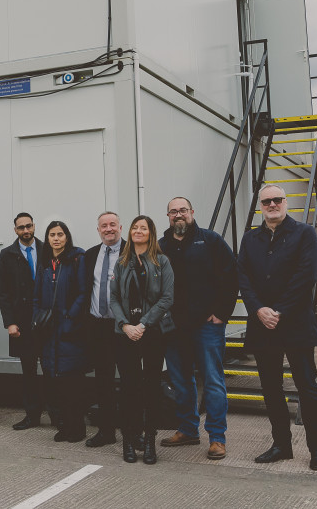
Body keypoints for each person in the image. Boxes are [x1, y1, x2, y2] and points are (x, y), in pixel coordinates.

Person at [239, 185, 317, 471]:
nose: (272, 204)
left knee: (307, 387)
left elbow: (306, 276)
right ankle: (281, 445)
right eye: (267, 201)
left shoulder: (305, 234)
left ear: (285, 202)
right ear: (261, 206)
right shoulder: (250, 238)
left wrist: (279, 311)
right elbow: (243, 277)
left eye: (277, 199)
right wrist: (258, 309)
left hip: (295, 324)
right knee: (271, 389)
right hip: (262, 326)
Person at [158, 197, 238, 460]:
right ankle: (188, 429)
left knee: (213, 381)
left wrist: (221, 314)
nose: (178, 215)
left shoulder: (211, 240)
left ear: (192, 212)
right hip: (174, 328)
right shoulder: (161, 246)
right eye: (173, 211)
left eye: (183, 210)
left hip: (207, 326)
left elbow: (231, 275)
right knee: (181, 382)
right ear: (168, 216)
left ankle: (217, 438)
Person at [109, 215, 174, 465]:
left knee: (151, 387)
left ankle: (149, 441)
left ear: (151, 233)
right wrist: (125, 325)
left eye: (143, 228)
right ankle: (129, 439)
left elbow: (167, 298)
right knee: (129, 388)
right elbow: (113, 298)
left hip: (152, 333)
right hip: (125, 334)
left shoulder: (162, 262)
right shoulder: (121, 262)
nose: (138, 231)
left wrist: (144, 324)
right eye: (135, 227)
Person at [33, 221, 89, 444]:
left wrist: (69, 317)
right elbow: (36, 294)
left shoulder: (77, 259)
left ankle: (77, 427)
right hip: (48, 331)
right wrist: (37, 318)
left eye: (60, 234)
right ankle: (63, 425)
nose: (56, 238)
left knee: (72, 383)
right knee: (54, 382)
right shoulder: (46, 263)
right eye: (52, 235)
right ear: (47, 239)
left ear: (67, 237)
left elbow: (84, 292)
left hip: (69, 330)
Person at [0, 212, 49, 430]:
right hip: (22, 322)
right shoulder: (7, 254)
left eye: (29, 226)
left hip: (47, 320)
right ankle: (32, 416)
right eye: (21, 228)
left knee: (51, 369)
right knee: (28, 372)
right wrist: (9, 322)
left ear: (34, 226)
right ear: (15, 230)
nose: (26, 231)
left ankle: (57, 414)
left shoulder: (48, 249)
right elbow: (3, 292)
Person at [82, 211, 125, 448]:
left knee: (129, 381)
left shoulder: (132, 252)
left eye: (112, 225)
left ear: (120, 227)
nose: (108, 229)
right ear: (98, 230)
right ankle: (106, 431)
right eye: (104, 226)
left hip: (124, 327)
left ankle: (134, 431)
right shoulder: (90, 256)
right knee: (103, 381)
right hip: (98, 326)